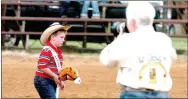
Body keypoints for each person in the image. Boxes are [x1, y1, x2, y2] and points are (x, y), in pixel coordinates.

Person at [99, 1, 177, 98]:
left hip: (133, 93)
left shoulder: (125, 40)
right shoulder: (164, 39)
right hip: (161, 94)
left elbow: (106, 60)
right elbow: (173, 57)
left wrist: (118, 38)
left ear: (132, 21)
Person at [34, 22, 71, 98]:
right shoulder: (47, 50)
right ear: (53, 37)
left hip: (48, 80)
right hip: (43, 80)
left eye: (64, 38)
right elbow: (42, 66)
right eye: (61, 37)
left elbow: (57, 68)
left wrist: (59, 79)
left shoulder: (57, 52)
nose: (63, 40)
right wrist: (54, 76)